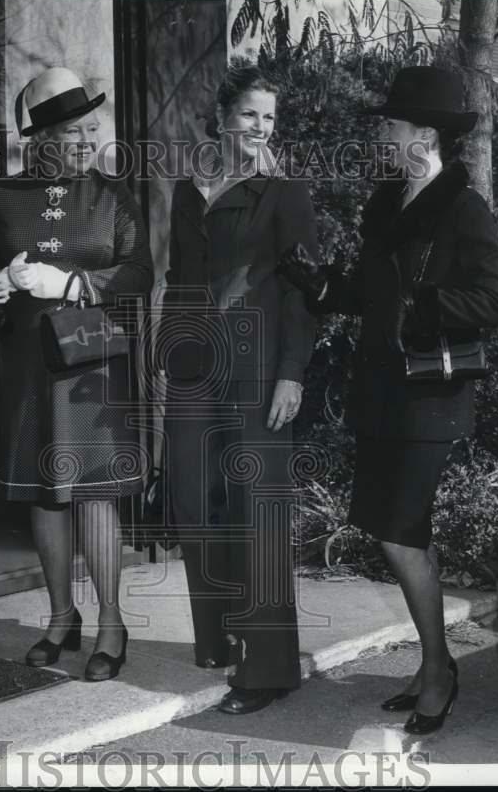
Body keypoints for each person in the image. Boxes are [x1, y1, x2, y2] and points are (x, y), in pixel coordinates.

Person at [278, 65, 498, 734]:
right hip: (381, 394)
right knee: (395, 531)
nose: (384, 133)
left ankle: (438, 668)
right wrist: (322, 287)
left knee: (400, 533)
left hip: (430, 399)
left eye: (394, 124)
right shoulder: (388, 202)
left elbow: (490, 302)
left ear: (425, 135)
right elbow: (368, 295)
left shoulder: (464, 209)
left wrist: (420, 305)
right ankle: (434, 662)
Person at [158, 61, 320, 715]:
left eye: (269, 118)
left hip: (258, 370)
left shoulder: (284, 194)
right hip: (196, 366)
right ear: (224, 118)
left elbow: (306, 294)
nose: (260, 127)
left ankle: (269, 668)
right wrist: (168, 347)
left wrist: (292, 373)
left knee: (257, 509)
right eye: (250, 114)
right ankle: (219, 635)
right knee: (196, 499)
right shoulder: (188, 188)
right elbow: (178, 275)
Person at [0, 67, 153, 682]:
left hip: (91, 365)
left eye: (92, 128)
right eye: (75, 131)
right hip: (29, 363)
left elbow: (139, 274)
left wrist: (76, 283)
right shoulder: (2, 195)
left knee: (95, 495)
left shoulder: (112, 195)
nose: (87, 140)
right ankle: (61, 616)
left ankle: (111, 621)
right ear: (41, 138)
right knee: (45, 495)